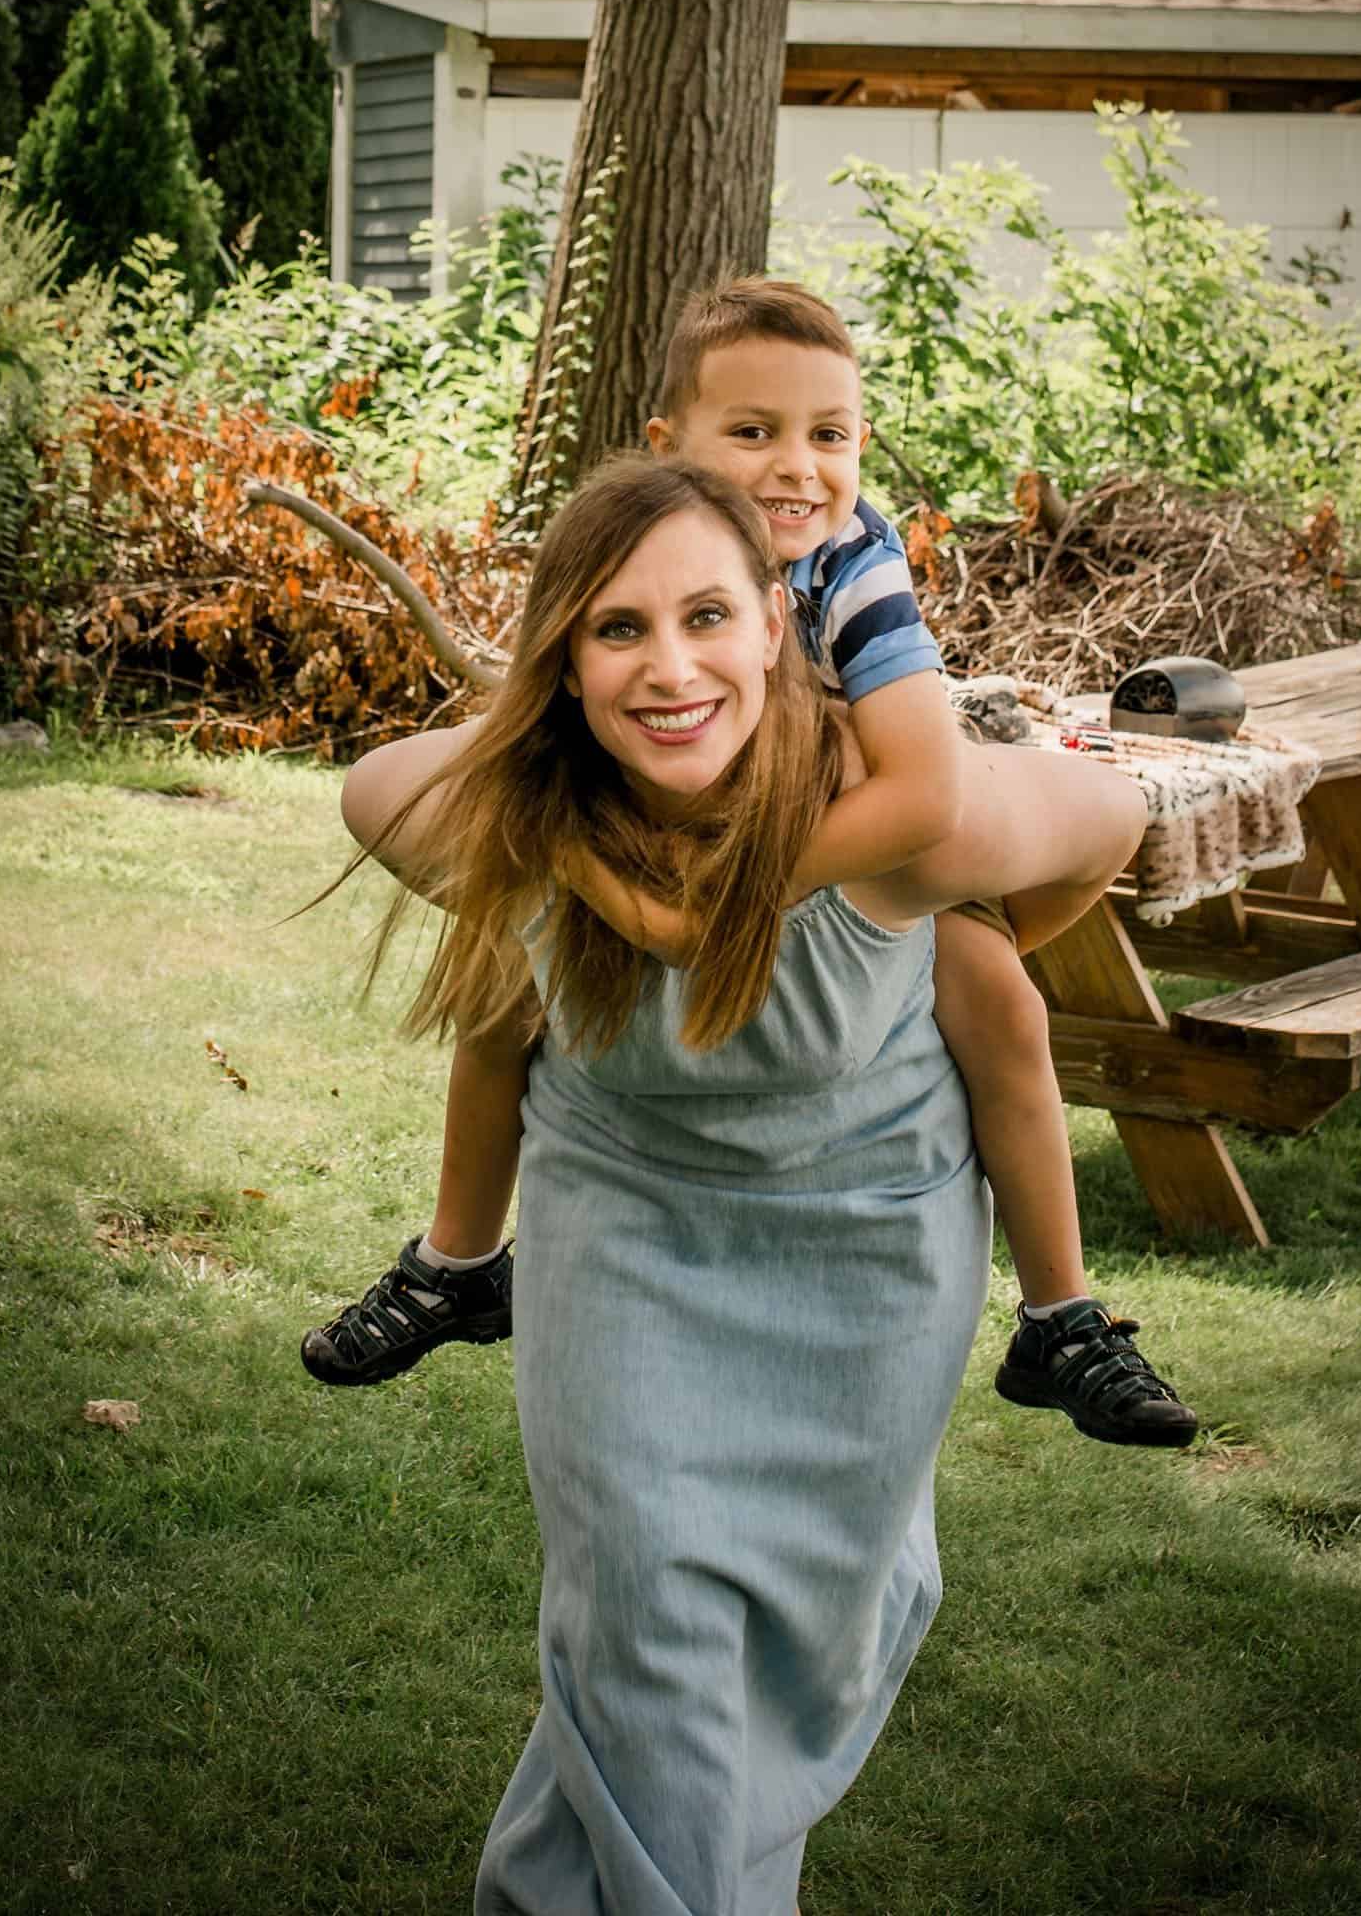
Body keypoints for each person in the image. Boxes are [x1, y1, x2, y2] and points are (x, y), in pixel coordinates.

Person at [324, 453, 1149, 1910]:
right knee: (643, 1626)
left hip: (864, 1263)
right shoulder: (533, 834)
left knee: (793, 1649)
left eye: (709, 616)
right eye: (618, 630)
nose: (670, 667)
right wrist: (594, 863)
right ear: (564, 666)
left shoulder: (895, 832)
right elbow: (376, 789)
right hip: (627, 1256)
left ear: (780, 624)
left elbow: (1113, 817)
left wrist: (968, 935)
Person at [303, 279, 1197, 1451]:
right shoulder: (635, 553)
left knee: (994, 997)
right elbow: (419, 777)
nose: (796, 467)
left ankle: (1060, 1314)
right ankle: (457, 1259)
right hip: (667, 811)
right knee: (505, 981)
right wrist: (591, 858)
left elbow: (922, 795)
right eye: (753, 432)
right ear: (668, 449)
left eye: (829, 435)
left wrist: (737, 912)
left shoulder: (853, 564)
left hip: (854, 827)